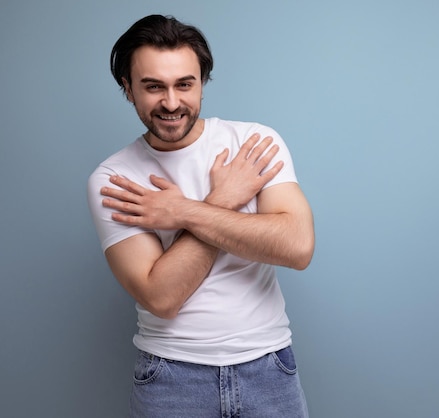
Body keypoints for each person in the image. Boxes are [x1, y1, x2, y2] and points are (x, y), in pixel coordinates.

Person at [87, 14, 314, 418]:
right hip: (171, 379)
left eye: (184, 84)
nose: (171, 103)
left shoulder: (253, 144)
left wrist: (183, 211)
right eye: (153, 86)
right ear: (128, 89)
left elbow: (297, 247)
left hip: (269, 368)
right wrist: (224, 198)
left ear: (202, 84)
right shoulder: (115, 179)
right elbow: (161, 296)